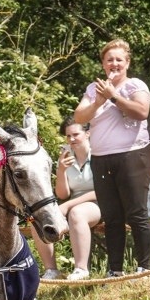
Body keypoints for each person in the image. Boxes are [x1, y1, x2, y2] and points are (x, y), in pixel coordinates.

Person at [74, 39, 150, 278]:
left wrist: (113, 97)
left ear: (127, 62)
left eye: (119, 59)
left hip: (131, 156)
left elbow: (141, 112)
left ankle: (144, 268)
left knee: (136, 212)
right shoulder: (93, 88)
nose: (114, 64)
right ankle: (115, 270)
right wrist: (98, 100)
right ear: (103, 64)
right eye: (109, 60)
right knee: (111, 217)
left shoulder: (135, 85)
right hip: (101, 158)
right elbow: (79, 117)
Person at [32, 118, 101, 281]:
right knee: (37, 216)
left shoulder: (99, 155)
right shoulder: (66, 157)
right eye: (68, 136)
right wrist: (61, 170)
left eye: (75, 134)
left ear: (88, 134)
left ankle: (81, 269)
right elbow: (62, 195)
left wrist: (68, 205)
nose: (71, 139)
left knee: (77, 213)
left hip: (99, 203)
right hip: (73, 204)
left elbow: (101, 191)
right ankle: (51, 270)